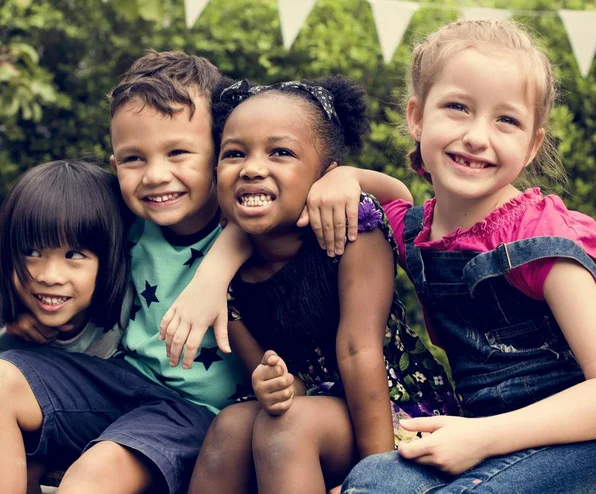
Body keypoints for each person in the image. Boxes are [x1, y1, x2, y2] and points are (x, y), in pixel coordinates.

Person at [334, 19, 596, 492]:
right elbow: (392, 197)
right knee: (371, 479)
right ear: (417, 117)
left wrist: (483, 437)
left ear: (532, 144)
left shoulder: (539, 239)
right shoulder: (417, 231)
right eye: (458, 107)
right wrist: (343, 176)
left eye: (507, 120)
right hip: (488, 438)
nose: (478, 136)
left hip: (578, 441)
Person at [187, 75, 458, 494]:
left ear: (324, 177)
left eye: (280, 152)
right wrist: (273, 383)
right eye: (234, 153)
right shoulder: (225, 276)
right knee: (231, 426)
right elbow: (273, 373)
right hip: (315, 406)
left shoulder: (351, 225)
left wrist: (379, 478)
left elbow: (358, 349)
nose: (253, 167)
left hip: (390, 410)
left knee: (286, 428)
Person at [0, 50, 247, 494]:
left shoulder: (248, 217)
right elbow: (53, 251)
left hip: (192, 412)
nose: (155, 175)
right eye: (134, 159)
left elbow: (369, 190)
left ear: (221, 154)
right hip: (118, 381)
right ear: (115, 167)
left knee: (91, 478)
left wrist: (217, 267)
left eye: (177, 152)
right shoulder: (127, 218)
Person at [0, 159, 132, 358]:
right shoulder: (12, 335)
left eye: (74, 255)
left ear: (110, 259)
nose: (50, 277)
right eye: (32, 253)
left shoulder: (139, 311)